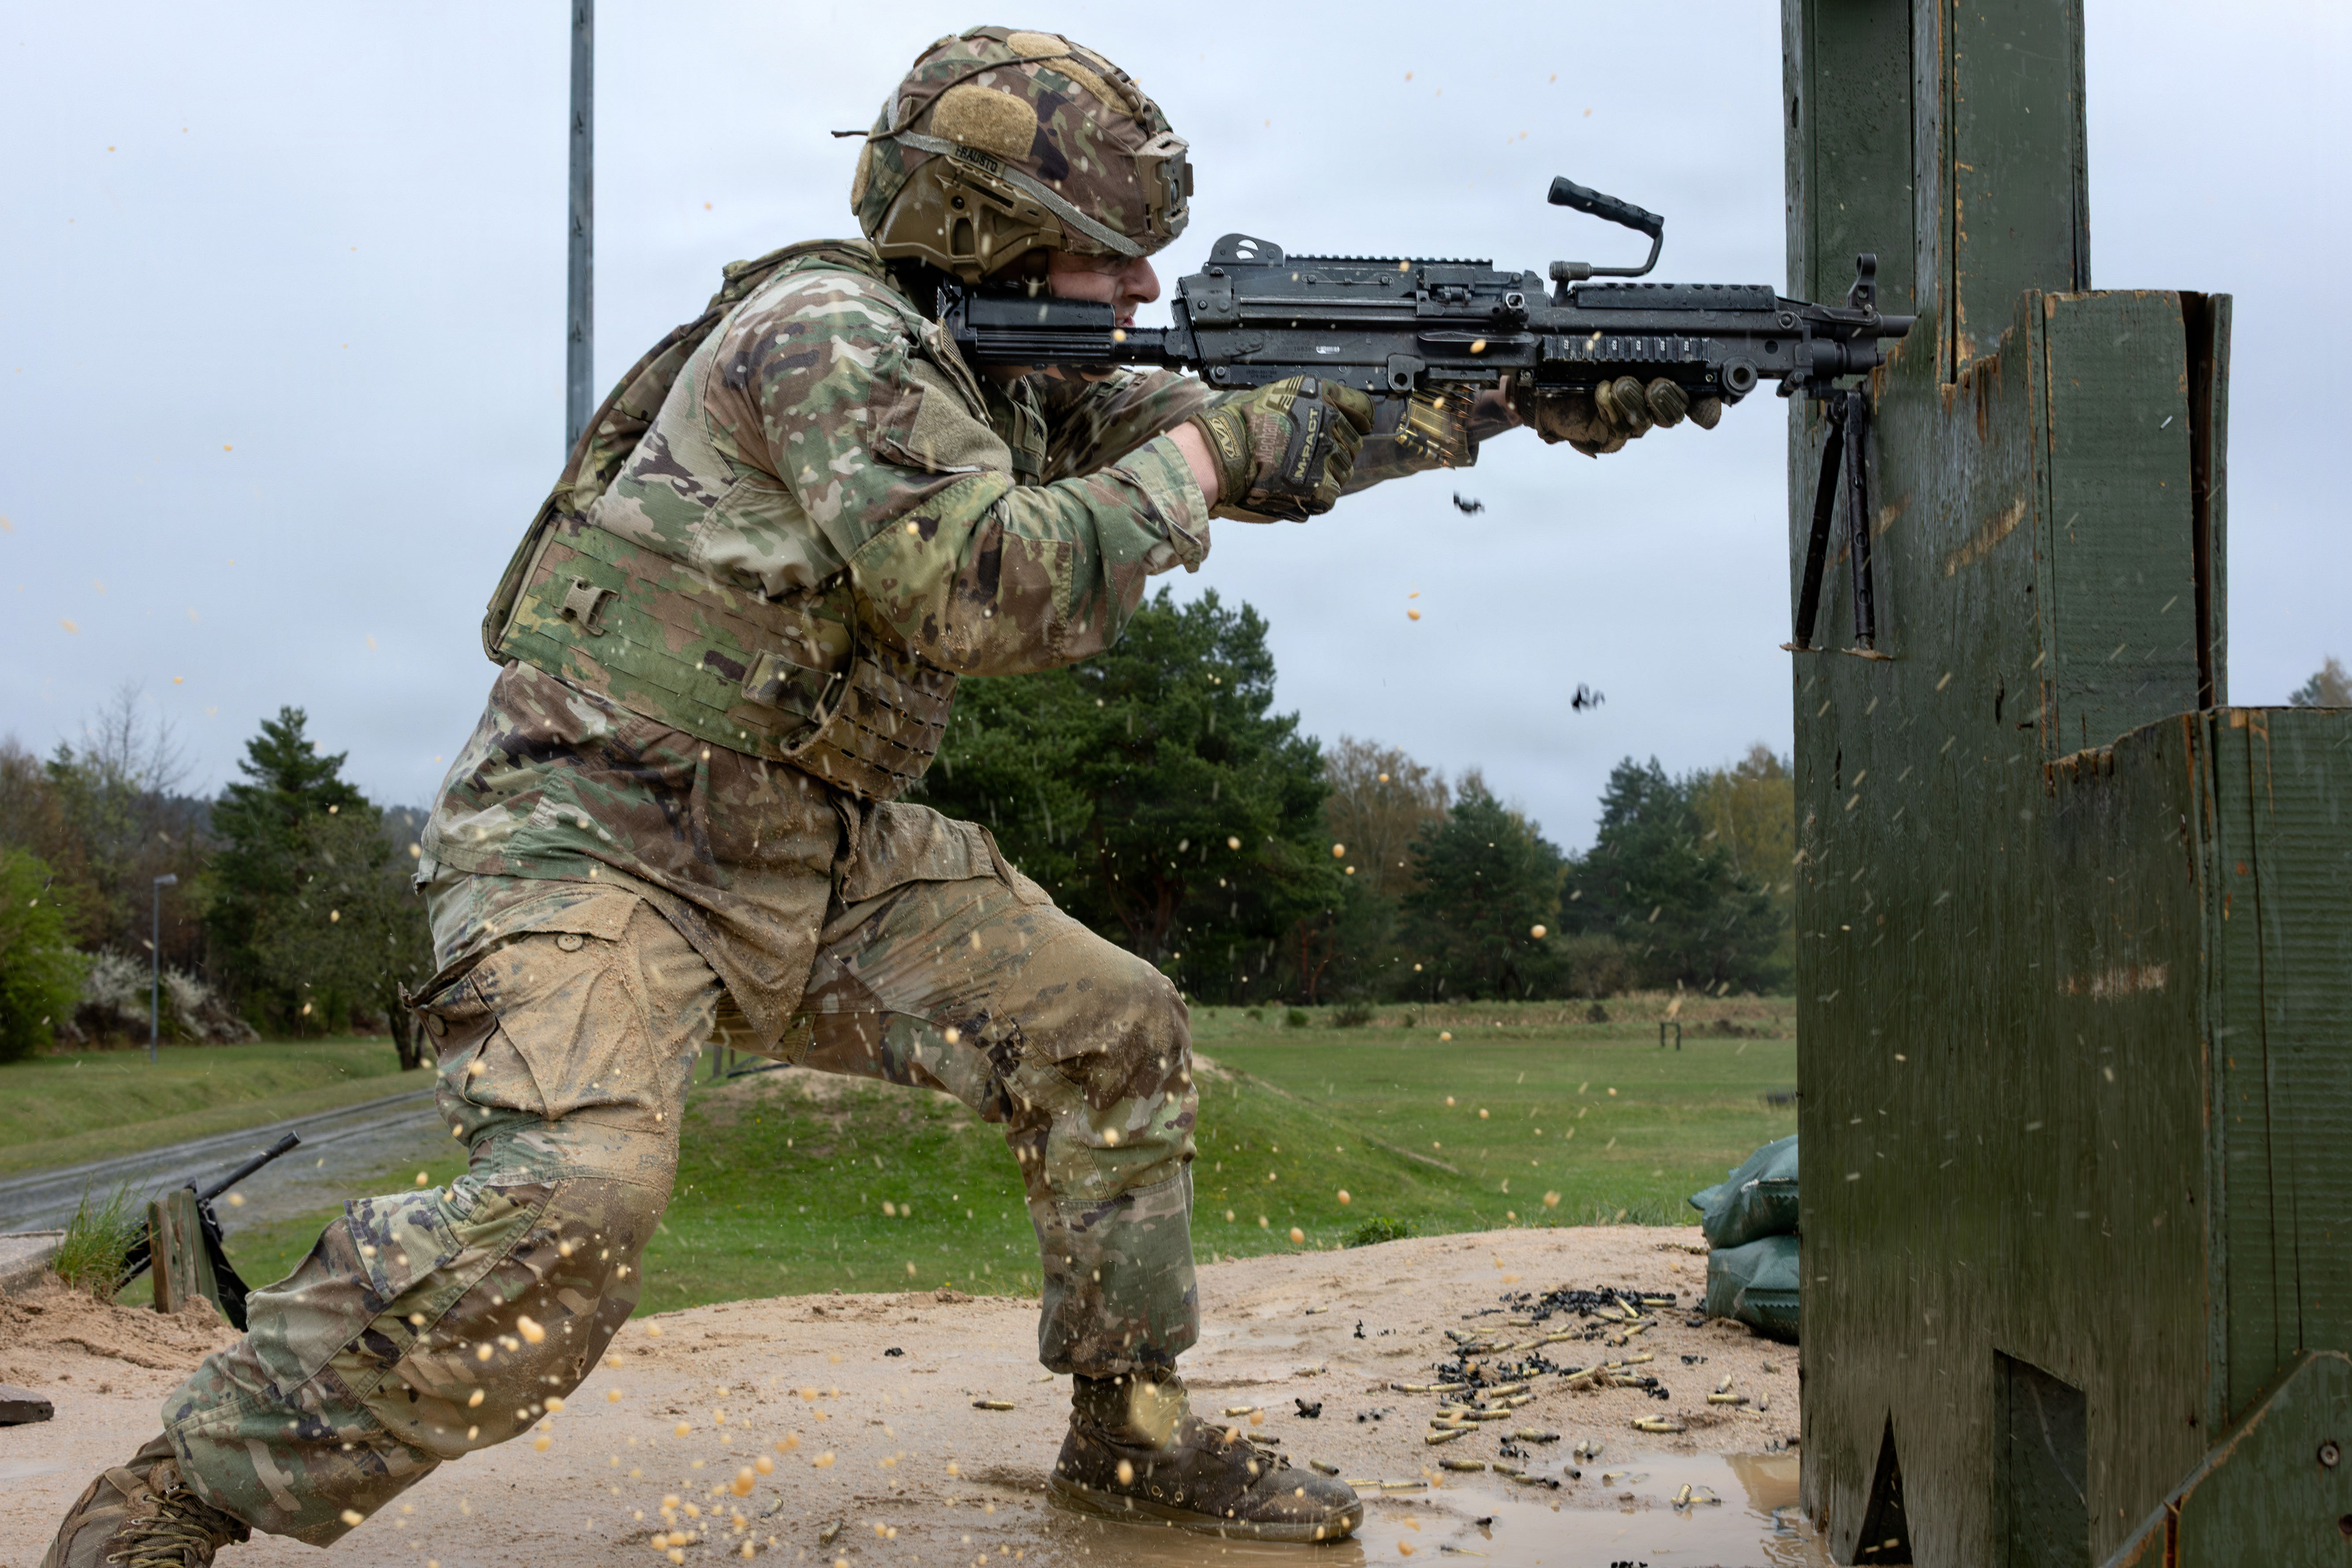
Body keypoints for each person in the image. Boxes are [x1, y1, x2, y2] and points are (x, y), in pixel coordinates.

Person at [44, 26, 1710, 1565]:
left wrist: (1513, 390)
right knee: (574, 1201)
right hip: (598, 835)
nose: (1143, 285)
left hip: (817, 844)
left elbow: (1257, 433)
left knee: (1109, 1029)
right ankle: (175, 1496)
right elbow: (993, 585)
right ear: (982, 231)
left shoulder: (1006, 370)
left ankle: (1129, 1437)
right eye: (1103, 249)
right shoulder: (832, 338)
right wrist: (1206, 457)